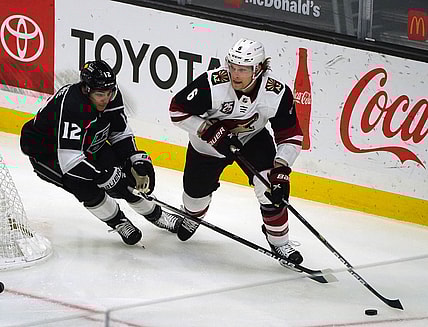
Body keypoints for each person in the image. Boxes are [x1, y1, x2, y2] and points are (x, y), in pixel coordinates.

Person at [169, 38, 303, 265]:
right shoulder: (211, 84)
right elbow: (176, 111)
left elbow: (291, 136)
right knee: (194, 198)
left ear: (258, 69)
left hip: (252, 139)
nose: (235, 74)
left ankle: (280, 243)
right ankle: (192, 214)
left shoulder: (277, 93)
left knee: (270, 186)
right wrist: (209, 131)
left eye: (242, 69)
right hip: (207, 145)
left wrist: (281, 169)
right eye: (232, 67)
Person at [20, 60, 182, 246]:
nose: (105, 99)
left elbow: (119, 132)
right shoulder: (73, 105)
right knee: (82, 184)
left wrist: (133, 159)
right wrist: (102, 176)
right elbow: (70, 161)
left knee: (126, 175)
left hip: (86, 143)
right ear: (86, 90)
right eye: (99, 94)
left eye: (109, 93)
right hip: (47, 153)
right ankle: (118, 221)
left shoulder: (111, 95)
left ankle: (156, 214)